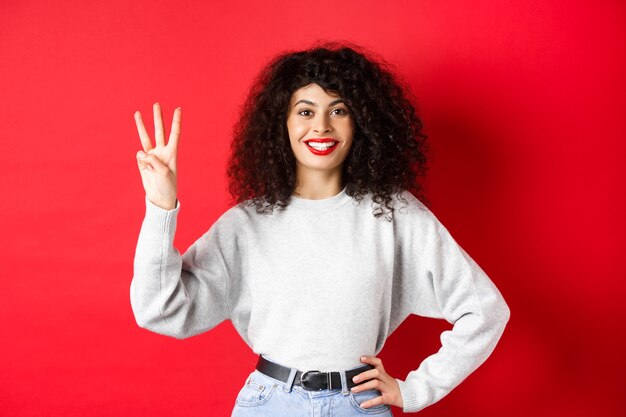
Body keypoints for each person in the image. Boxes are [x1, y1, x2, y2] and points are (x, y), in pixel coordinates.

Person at [130, 43, 510, 416]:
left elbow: (484, 311)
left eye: (338, 110)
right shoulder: (246, 225)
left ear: (360, 121)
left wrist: (415, 390)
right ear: (283, 123)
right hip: (269, 404)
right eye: (305, 111)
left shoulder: (393, 214)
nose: (321, 126)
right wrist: (161, 207)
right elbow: (160, 311)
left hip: (359, 405)